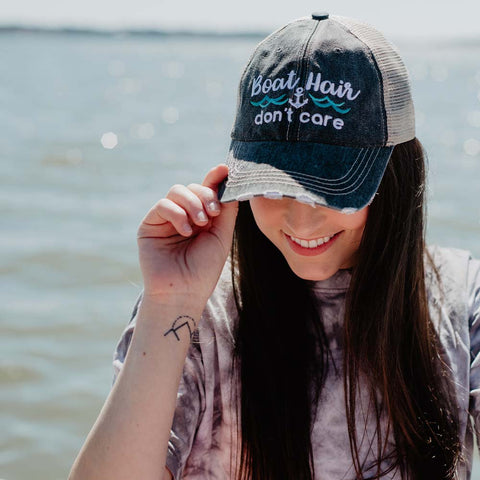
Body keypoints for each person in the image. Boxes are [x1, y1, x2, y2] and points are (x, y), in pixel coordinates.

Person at [69, 12, 480, 480]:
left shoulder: (462, 300)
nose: (301, 218)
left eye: (330, 186)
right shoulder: (200, 314)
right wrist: (169, 302)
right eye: (275, 184)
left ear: (396, 174)